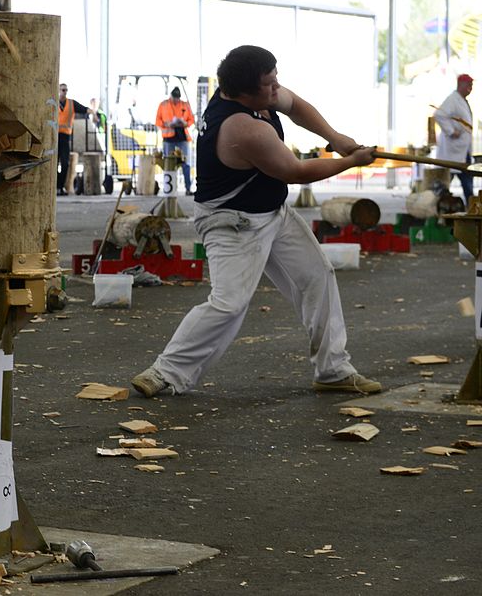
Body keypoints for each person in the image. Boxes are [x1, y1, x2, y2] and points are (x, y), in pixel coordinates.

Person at [131, 45, 381, 399]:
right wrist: (350, 161)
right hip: (232, 222)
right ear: (246, 91)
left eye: (276, 78)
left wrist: (335, 139)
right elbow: (296, 171)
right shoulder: (241, 128)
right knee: (229, 302)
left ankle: (333, 369)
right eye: (270, 84)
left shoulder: (257, 94)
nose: (277, 88)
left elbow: (296, 107)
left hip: (271, 212)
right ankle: (166, 372)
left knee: (317, 277)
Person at [433, 74, 474, 201]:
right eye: (469, 85)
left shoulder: (461, 100)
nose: (471, 88)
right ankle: (437, 211)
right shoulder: (452, 100)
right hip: (452, 152)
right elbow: (439, 114)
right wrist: (451, 131)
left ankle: (471, 207)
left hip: (462, 151)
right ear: (461, 85)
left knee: (467, 183)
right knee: (444, 185)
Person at [155, 86, 197, 195]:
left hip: (182, 137)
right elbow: (158, 121)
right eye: (175, 98)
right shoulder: (163, 105)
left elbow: (191, 120)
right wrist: (166, 124)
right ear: (171, 96)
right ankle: (169, 189)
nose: (176, 100)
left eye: (178, 98)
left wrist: (184, 123)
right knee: (169, 163)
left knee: (185, 163)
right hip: (168, 138)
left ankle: (188, 188)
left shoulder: (185, 105)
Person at [56, 84, 88, 196]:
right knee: (54, 164)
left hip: (65, 138)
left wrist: (94, 113)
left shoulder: (71, 103)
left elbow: (84, 109)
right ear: (58, 90)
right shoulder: (53, 102)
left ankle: (60, 187)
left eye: (66, 90)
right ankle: (55, 187)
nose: (64, 92)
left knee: (65, 163)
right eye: (62, 90)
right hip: (54, 138)